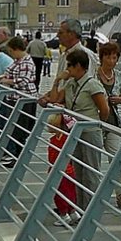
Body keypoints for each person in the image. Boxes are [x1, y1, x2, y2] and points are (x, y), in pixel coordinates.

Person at [43, 48, 109, 212]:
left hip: (89, 132)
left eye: (71, 66)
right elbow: (54, 99)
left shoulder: (92, 84)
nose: (68, 69)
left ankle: (90, 209)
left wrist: (96, 125)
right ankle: (80, 207)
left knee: (91, 172)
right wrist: (57, 81)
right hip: (74, 132)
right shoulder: (71, 83)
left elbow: (104, 110)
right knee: (78, 172)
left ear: (79, 66)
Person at [97, 42, 121, 209]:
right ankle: (91, 193)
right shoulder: (94, 73)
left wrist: (120, 99)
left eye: (114, 57)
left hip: (113, 122)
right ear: (102, 57)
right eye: (108, 57)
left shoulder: (117, 75)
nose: (111, 61)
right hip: (96, 121)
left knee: (116, 158)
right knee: (93, 159)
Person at [37, 18, 99, 109]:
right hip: (59, 104)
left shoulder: (86, 55)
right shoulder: (64, 55)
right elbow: (62, 83)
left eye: (61, 32)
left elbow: (85, 86)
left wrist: (65, 103)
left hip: (76, 110)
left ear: (71, 34)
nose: (57, 35)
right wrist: (49, 95)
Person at [0, 35, 38, 166]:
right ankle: (15, 155)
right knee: (14, 128)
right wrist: (0, 78)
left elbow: (23, 82)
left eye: (10, 51)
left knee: (20, 130)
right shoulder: (18, 61)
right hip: (15, 99)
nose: (10, 54)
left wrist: (5, 81)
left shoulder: (26, 62)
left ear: (16, 49)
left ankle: (18, 157)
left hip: (24, 100)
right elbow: (11, 74)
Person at [46, 113, 79, 226]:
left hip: (58, 170)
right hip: (69, 170)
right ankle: (73, 212)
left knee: (59, 194)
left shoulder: (57, 140)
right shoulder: (67, 138)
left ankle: (64, 214)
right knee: (71, 192)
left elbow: (53, 157)